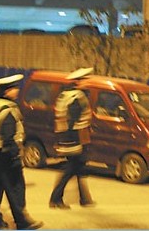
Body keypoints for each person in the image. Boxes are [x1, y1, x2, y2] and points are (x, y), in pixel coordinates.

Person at [0, 74, 44, 230]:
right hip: (7, 153)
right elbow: (9, 136)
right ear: (6, 92)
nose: (17, 91)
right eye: (14, 88)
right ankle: (22, 222)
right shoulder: (8, 109)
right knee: (14, 187)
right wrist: (15, 156)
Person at [49, 80, 94, 209]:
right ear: (79, 83)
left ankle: (85, 198)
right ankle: (55, 199)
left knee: (79, 168)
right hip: (75, 139)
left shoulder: (66, 95)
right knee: (69, 170)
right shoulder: (76, 98)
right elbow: (72, 122)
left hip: (72, 139)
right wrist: (73, 142)